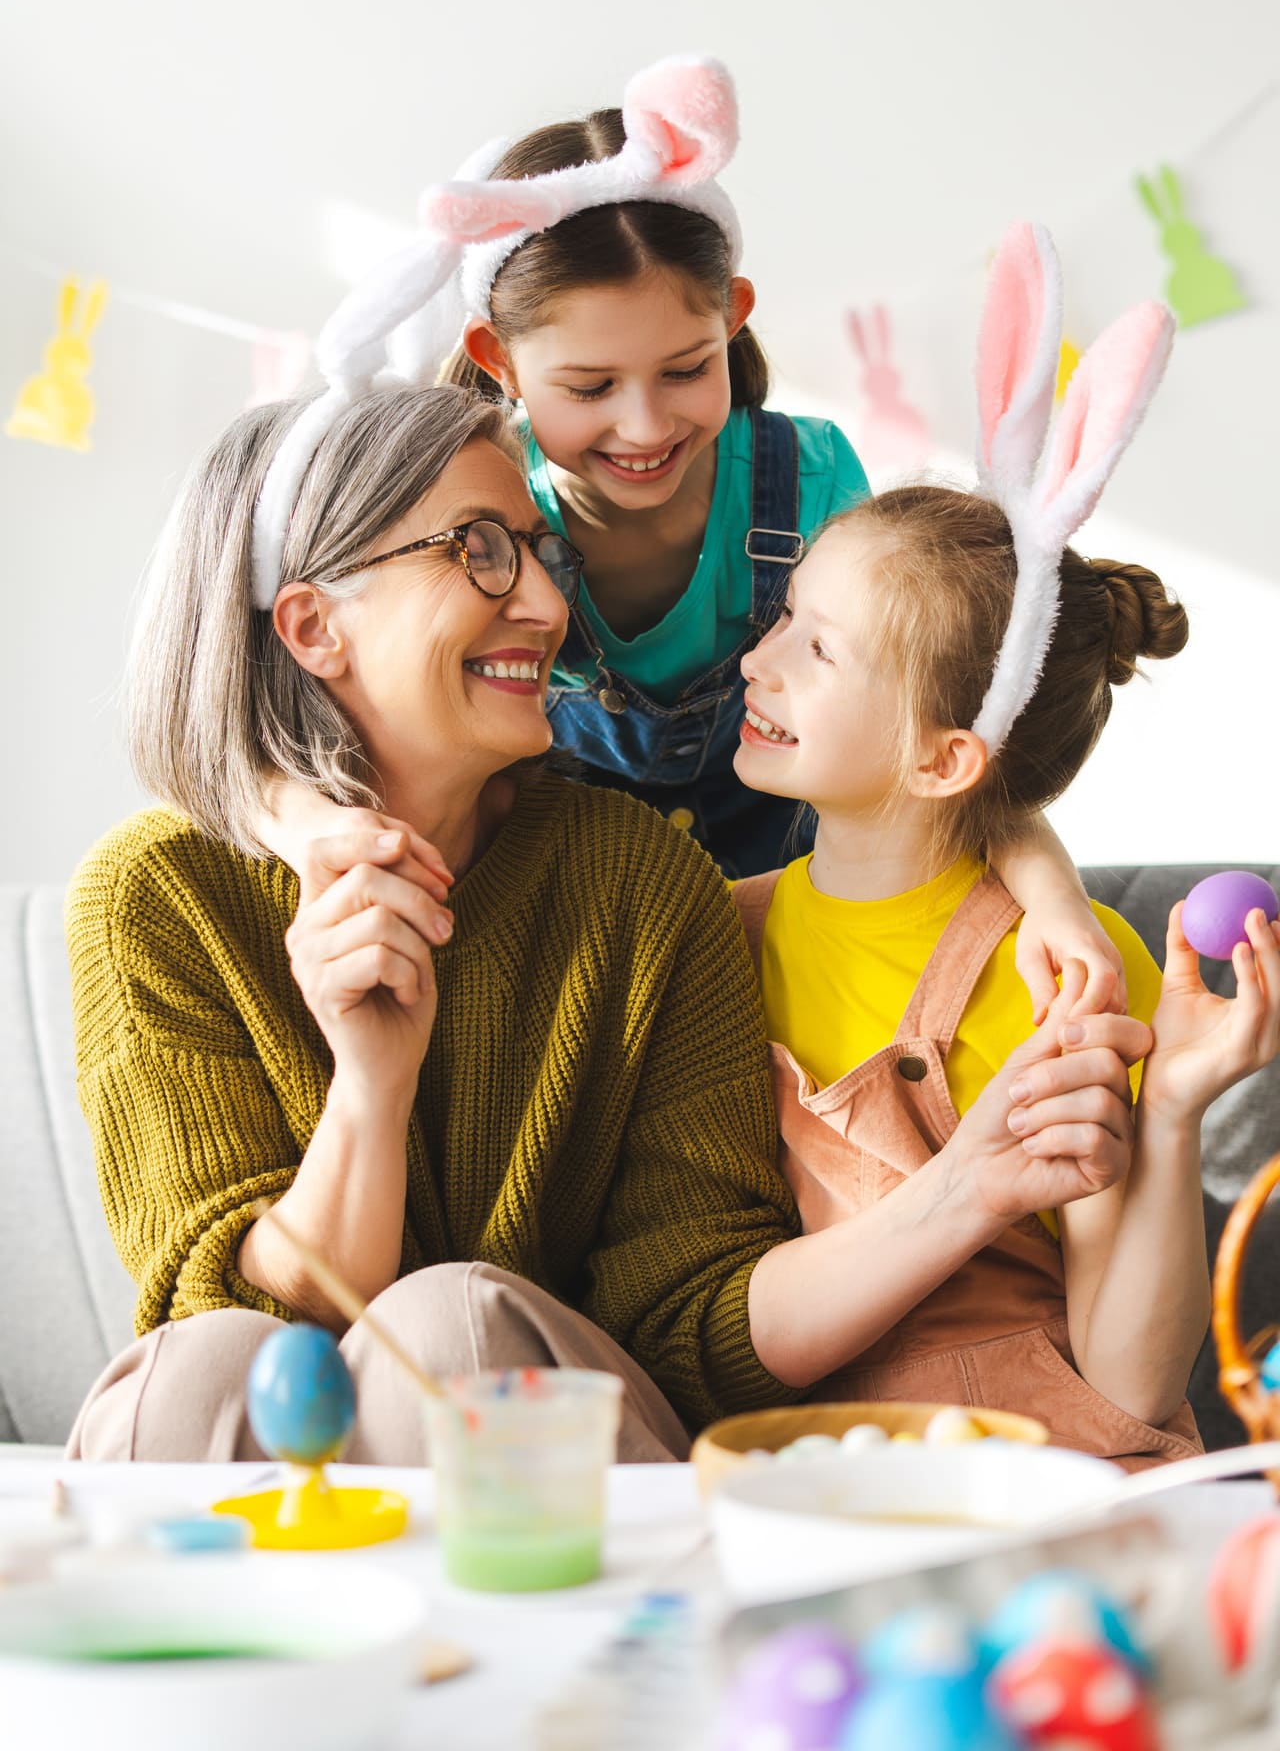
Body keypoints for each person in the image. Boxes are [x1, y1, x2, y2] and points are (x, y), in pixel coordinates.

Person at [65, 379, 1151, 1465]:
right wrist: (370, 1082)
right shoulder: (157, 899)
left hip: (582, 1469)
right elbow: (233, 1313)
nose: (546, 605)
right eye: (481, 549)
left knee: (451, 1326)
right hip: (278, 1471)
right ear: (311, 625)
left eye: (543, 553)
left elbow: (694, 1324)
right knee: (195, 1368)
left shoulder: (641, 884)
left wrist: (1039, 874)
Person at [259, 53, 1141, 1018]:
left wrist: (1056, 895)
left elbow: (946, 727)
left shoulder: (806, 484)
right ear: (496, 361)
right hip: (585, 968)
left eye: (685, 370)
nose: (644, 428)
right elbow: (291, 724)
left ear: (733, 319)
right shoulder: (470, 526)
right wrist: (310, 827)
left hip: (802, 952)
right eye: (590, 388)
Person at [731, 225, 1280, 1465]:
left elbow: (1128, 1387)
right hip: (792, 1464)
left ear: (940, 760)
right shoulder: (713, 932)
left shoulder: (1069, 991)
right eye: (782, 618)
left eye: (815, 652)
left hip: (1028, 1467)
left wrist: (1179, 1107)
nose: (757, 660)